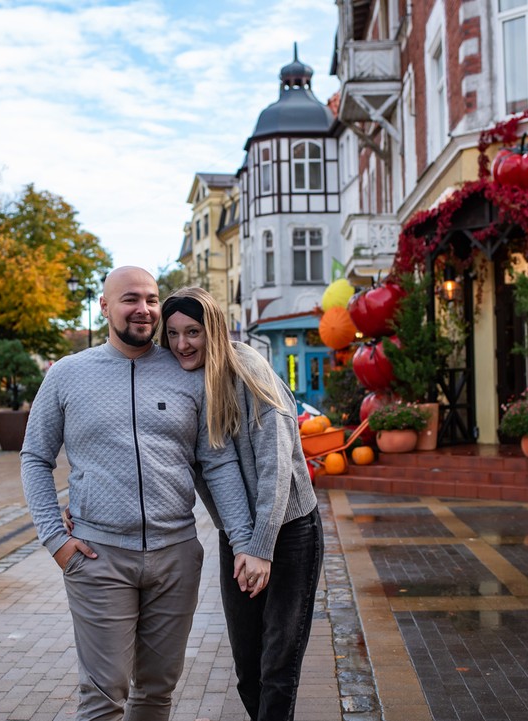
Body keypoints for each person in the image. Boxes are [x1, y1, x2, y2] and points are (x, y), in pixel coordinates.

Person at [20, 266, 267, 721]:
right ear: (105, 306)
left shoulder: (187, 374)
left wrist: (247, 540)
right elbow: (35, 457)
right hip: (98, 558)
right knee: (103, 695)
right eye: (131, 299)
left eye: (152, 299)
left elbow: (217, 461)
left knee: (156, 692)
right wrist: (56, 540)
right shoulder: (67, 375)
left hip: (176, 557)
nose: (144, 309)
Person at [161, 287, 324, 721]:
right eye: (173, 333)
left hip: (288, 531)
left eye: (193, 331)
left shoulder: (248, 369)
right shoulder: (186, 383)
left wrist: (262, 546)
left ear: (212, 329)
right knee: (247, 667)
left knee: (278, 664)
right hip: (237, 536)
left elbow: (276, 468)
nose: (182, 344)